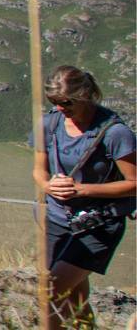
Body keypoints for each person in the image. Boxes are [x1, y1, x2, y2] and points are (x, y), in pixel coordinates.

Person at [32, 65, 135, 329]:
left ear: (85, 95)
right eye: (53, 103)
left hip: (98, 223)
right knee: (75, 298)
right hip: (57, 218)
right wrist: (48, 186)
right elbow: (38, 170)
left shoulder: (115, 134)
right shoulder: (49, 124)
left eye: (66, 102)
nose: (59, 108)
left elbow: (134, 184)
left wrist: (83, 190)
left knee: (52, 293)